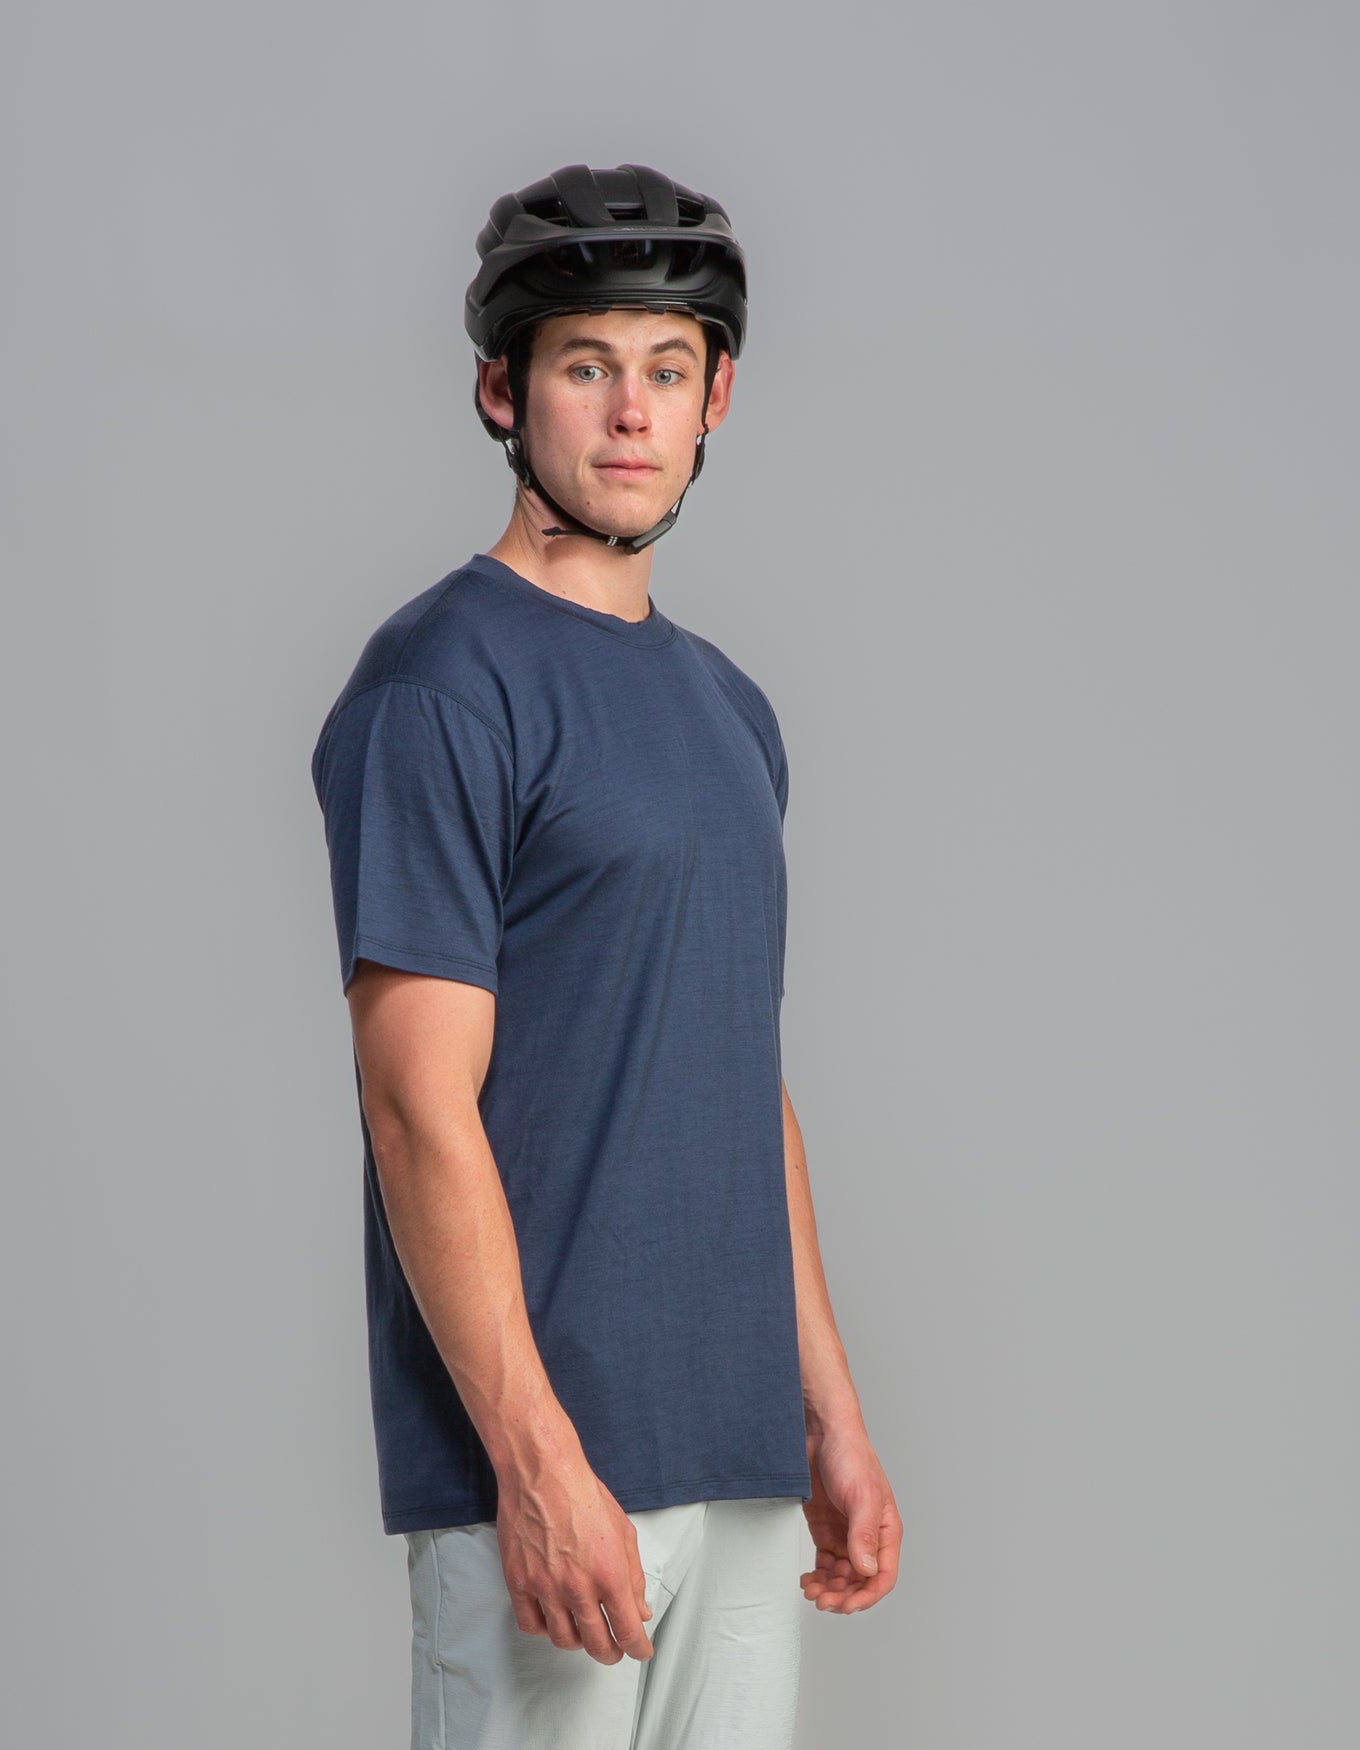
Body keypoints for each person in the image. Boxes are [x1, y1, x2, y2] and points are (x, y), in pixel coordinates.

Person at [310, 162, 902, 1750]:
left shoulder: (733, 710)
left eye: (668, 370)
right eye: (588, 366)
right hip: (553, 1459)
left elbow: (740, 1076)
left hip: (740, 1458)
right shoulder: (439, 685)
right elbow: (416, 1109)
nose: (633, 412)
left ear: (718, 400)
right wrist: (534, 1458)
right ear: (503, 391)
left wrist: (828, 1411)